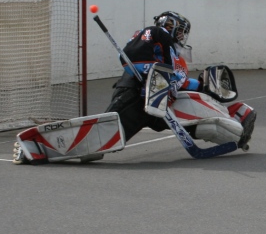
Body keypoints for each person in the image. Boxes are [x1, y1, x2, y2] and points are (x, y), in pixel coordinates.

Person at [103, 11, 255, 148]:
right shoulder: (155, 34)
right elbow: (131, 56)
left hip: (161, 105)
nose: (182, 36)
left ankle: (236, 124)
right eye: (181, 31)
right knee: (107, 135)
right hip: (136, 95)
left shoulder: (176, 58)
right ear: (170, 26)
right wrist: (152, 76)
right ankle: (93, 143)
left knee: (204, 123)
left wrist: (202, 86)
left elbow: (181, 82)